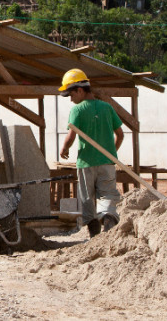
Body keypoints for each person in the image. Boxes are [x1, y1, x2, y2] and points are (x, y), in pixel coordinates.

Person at [58, 68, 125, 238]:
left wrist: (64, 149)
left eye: (71, 95)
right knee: (108, 195)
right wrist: (111, 152)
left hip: (86, 163)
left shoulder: (78, 110)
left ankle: (94, 235)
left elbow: (71, 136)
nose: (71, 100)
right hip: (107, 163)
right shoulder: (107, 107)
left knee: (87, 199)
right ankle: (108, 219)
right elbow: (120, 134)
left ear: (80, 90)